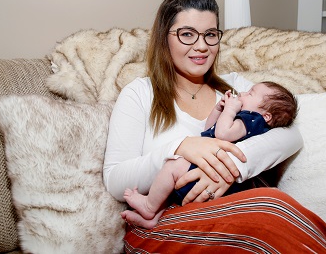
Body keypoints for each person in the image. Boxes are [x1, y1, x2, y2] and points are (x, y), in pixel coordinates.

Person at [104, 0, 326, 253]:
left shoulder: (236, 89)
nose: (201, 46)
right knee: (268, 210)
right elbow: (116, 179)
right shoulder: (139, 93)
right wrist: (180, 147)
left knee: (271, 206)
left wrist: (231, 165)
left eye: (210, 34)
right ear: (165, 38)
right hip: (161, 222)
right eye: (187, 34)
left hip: (232, 210)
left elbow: (291, 134)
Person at [120, 82, 298, 228]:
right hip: (207, 171)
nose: (243, 93)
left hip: (213, 176)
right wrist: (219, 110)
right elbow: (209, 129)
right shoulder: (243, 118)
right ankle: (154, 217)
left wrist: (230, 109)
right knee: (171, 185)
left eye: (250, 94)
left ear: (266, 116)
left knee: (172, 165)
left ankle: (149, 206)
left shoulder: (252, 121)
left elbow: (222, 134)